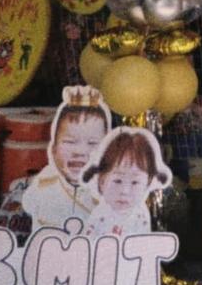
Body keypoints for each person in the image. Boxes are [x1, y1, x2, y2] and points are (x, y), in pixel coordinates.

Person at [19, 87, 109, 232]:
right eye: (69, 142)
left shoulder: (106, 190)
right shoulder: (45, 182)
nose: (79, 152)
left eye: (93, 143)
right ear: (53, 149)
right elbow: (29, 204)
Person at [83, 128, 172, 238]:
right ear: (101, 181)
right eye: (117, 181)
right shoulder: (99, 215)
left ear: (147, 184)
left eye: (135, 182)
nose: (125, 191)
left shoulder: (140, 215)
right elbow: (87, 244)